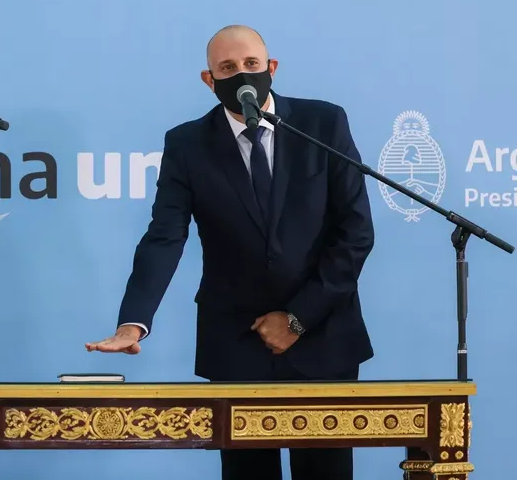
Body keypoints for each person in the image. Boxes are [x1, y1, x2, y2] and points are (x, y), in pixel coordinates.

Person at [85, 25, 375, 480]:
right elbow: (165, 236)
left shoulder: (323, 124)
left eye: (251, 64)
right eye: (227, 67)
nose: (241, 75)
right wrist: (133, 322)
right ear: (209, 80)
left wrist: (298, 318)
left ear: (271, 68)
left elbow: (355, 232)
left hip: (322, 335)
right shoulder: (187, 144)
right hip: (237, 341)